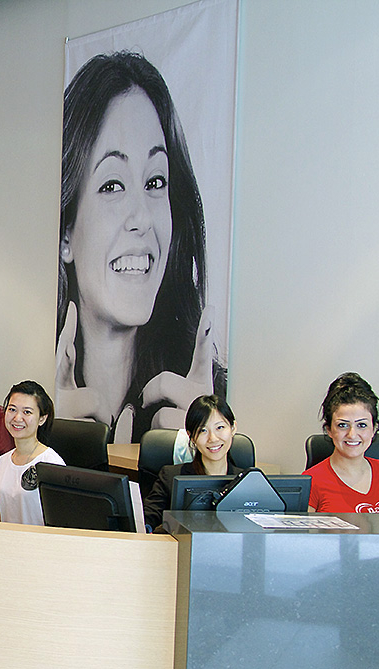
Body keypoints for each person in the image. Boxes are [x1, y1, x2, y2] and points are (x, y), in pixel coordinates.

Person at [55, 51, 225, 443]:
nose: (142, 218)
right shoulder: (35, 395)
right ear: (66, 235)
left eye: (154, 182)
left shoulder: (209, 396)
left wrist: (208, 444)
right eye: (112, 185)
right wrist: (43, 433)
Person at [142, 395, 240, 533]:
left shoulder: (247, 481)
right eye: (203, 430)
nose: (213, 438)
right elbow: (148, 518)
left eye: (220, 427)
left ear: (233, 428)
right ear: (191, 437)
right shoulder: (171, 477)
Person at [304, 373, 379, 513]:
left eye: (362, 425)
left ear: (374, 429)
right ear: (329, 430)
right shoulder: (311, 482)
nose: (352, 434)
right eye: (343, 425)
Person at [0, 381, 65, 525]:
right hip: (5, 538)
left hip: (38, 539)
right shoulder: (3, 461)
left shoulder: (51, 462)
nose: (17, 418)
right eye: (12, 409)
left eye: (27, 412)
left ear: (42, 419)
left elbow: (62, 522)